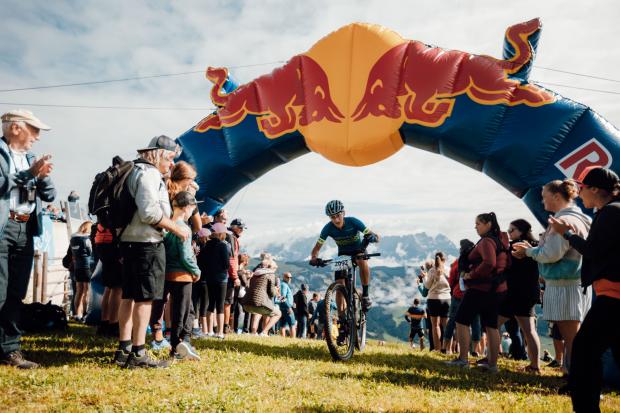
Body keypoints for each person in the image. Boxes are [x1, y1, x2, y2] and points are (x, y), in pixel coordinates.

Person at [546, 166, 620, 412]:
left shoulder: (609, 213)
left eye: (582, 187)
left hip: (613, 295)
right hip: (611, 294)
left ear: (595, 189)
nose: (579, 192)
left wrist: (566, 233)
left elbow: (593, 251)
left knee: (584, 353)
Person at [115, 135, 189, 369]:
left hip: (129, 241)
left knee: (128, 295)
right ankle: (138, 353)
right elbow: (148, 213)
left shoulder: (133, 170)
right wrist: (176, 228)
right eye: (169, 158)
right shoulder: (149, 174)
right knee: (145, 298)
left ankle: (124, 348)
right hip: (146, 243)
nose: (171, 164)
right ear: (157, 154)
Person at [513, 179, 591, 374]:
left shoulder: (562, 221)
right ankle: (572, 372)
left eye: (544, 196)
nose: (542, 200)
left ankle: (578, 378)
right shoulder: (582, 218)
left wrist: (529, 252)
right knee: (573, 334)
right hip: (577, 282)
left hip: (565, 284)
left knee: (571, 335)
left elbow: (551, 254)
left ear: (556, 196)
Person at [0, 109, 55, 369]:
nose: (37, 137)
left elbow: (51, 195)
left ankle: (10, 350)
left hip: (25, 228)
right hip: (4, 226)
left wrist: (42, 177)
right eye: (34, 130)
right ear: (15, 128)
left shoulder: (32, 158)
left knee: (16, 292)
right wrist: (31, 174)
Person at [448, 212, 510, 373]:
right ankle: (492, 364)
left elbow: (489, 263)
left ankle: (463, 359)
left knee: (461, 321)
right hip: (497, 289)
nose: (475, 227)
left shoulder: (486, 241)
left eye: (478, 223)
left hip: (480, 288)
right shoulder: (501, 240)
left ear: (488, 224)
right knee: (491, 325)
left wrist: (471, 275)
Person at [310, 200, 379, 310]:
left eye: (338, 215)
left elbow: (375, 236)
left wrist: (373, 237)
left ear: (344, 213)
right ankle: (342, 318)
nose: (336, 219)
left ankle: (365, 295)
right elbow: (317, 248)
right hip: (343, 254)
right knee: (339, 284)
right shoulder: (328, 228)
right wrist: (314, 258)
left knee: (362, 260)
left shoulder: (354, 222)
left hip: (358, 250)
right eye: (332, 217)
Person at [496, 219, 542, 372]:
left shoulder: (519, 245)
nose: (509, 234)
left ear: (521, 231)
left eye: (512, 230)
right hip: (527, 292)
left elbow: (508, 266)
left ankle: (491, 359)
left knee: (493, 324)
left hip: (517, 293)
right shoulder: (533, 246)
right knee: (529, 330)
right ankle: (534, 366)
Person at [163, 191, 201, 361]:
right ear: (187, 207)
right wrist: (196, 270)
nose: (194, 210)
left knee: (181, 310)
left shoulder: (168, 224)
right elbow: (186, 256)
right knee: (183, 312)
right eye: (193, 207)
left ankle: (181, 342)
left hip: (168, 273)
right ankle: (178, 346)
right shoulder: (183, 228)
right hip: (183, 274)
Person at [200, 223, 230, 339]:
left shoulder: (206, 246)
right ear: (221, 233)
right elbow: (226, 264)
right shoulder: (222, 246)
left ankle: (209, 331)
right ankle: (220, 332)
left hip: (209, 278)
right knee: (220, 304)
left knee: (211, 304)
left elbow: (202, 262)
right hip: (221, 278)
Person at [94, 222, 122, 337]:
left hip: (102, 240)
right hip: (113, 241)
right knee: (117, 287)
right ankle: (113, 324)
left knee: (109, 286)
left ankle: (104, 323)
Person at [241, 255, 281, 335]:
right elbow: (272, 293)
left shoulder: (255, 274)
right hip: (259, 304)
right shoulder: (271, 275)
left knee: (257, 312)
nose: (275, 271)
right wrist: (276, 290)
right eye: (274, 269)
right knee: (278, 313)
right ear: (271, 268)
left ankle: (253, 332)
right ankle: (264, 332)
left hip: (246, 304)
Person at [423, 251, 451, 352]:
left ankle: (438, 349)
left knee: (435, 326)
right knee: (446, 326)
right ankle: (448, 349)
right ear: (445, 259)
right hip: (447, 299)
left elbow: (427, 286)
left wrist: (425, 277)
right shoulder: (448, 270)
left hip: (433, 299)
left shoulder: (432, 271)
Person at [70, 221, 94, 322]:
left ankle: (77, 314)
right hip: (87, 266)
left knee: (78, 291)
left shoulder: (73, 238)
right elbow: (90, 251)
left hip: (77, 267)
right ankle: (85, 314)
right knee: (87, 291)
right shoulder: (87, 239)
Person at [224, 218, 244, 334]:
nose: (242, 231)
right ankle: (225, 327)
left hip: (222, 273)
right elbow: (232, 258)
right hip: (228, 275)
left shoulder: (226, 235)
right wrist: (235, 276)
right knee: (227, 302)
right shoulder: (232, 237)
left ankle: (220, 326)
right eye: (240, 228)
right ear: (235, 227)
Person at [279, 272, 296, 337]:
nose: (289, 279)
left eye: (290, 277)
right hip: (286, 308)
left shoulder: (283, 284)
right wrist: (288, 307)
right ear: (284, 277)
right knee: (292, 324)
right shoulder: (284, 285)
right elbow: (282, 296)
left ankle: (282, 339)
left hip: (283, 307)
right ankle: (293, 340)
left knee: (282, 325)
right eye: (287, 277)